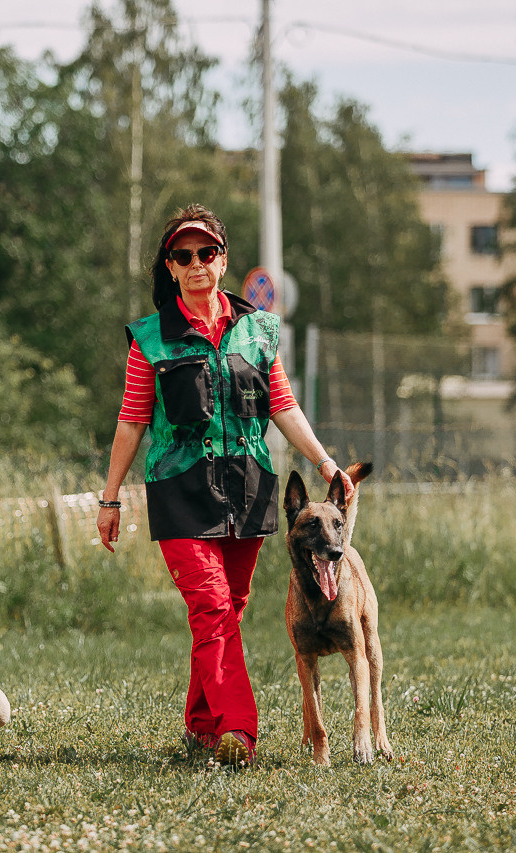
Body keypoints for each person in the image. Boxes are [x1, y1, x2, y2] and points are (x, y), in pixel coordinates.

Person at [96, 203, 354, 768]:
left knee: (228, 611)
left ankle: (201, 724)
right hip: (178, 491)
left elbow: (282, 405)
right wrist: (110, 497)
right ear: (169, 266)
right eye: (182, 256)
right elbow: (131, 419)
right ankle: (239, 729)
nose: (195, 264)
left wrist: (325, 463)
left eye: (205, 253)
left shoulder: (258, 329)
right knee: (211, 607)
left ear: (222, 259)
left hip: (249, 491)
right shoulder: (150, 338)